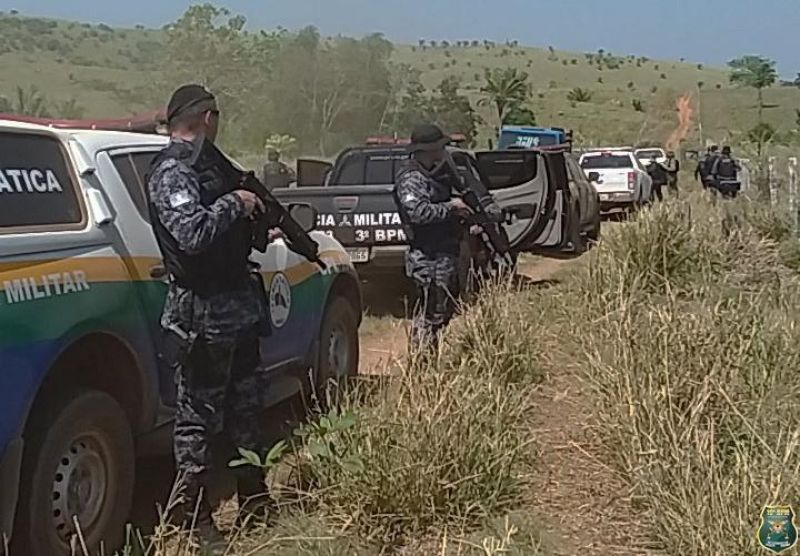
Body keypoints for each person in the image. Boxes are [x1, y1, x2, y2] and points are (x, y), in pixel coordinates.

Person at [146, 84, 272, 554]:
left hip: (237, 307)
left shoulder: (209, 168)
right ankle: (193, 520)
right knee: (197, 420)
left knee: (245, 407)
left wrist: (255, 218)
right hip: (200, 314)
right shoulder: (173, 171)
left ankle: (255, 499)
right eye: (215, 117)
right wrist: (234, 204)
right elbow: (191, 232)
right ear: (205, 117)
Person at [393, 124, 471, 353]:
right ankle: (421, 363)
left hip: (442, 253)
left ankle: (429, 359)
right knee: (429, 312)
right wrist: (451, 207)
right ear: (428, 149)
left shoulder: (433, 174)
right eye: (440, 147)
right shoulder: (411, 178)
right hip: (427, 256)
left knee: (442, 310)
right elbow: (417, 213)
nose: (443, 151)